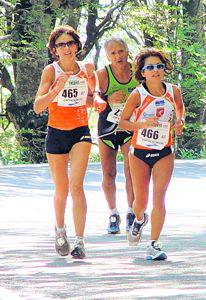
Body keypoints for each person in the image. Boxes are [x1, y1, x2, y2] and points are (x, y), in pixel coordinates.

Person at [34, 26, 106, 259]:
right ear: (54, 50)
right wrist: (57, 87)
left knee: (77, 186)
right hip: (56, 132)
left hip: (80, 132)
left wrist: (96, 100)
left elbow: (93, 94)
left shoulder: (86, 68)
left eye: (70, 43)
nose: (66, 48)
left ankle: (80, 241)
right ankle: (60, 230)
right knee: (62, 189)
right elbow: (38, 106)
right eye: (60, 45)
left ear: (77, 45)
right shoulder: (50, 71)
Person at [119, 48, 185, 260]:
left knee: (159, 197)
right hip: (139, 152)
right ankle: (139, 220)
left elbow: (180, 109)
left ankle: (154, 244)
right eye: (150, 67)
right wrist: (141, 124)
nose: (155, 70)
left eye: (159, 66)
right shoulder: (138, 94)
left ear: (164, 69)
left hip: (164, 151)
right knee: (141, 202)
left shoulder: (173, 91)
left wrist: (179, 121)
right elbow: (122, 123)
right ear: (142, 72)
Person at [96, 38, 138, 234]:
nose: (118, 56)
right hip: (107, 128)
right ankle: (113, 212)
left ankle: (131, 211)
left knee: (131, 171)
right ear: (107, 56)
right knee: (109, 173)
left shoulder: (137, 72)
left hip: (130, 127)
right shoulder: (103, 74)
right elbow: (92, 97)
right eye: (113, 53)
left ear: (127, 51)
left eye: (121, 51)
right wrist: (106, 99)